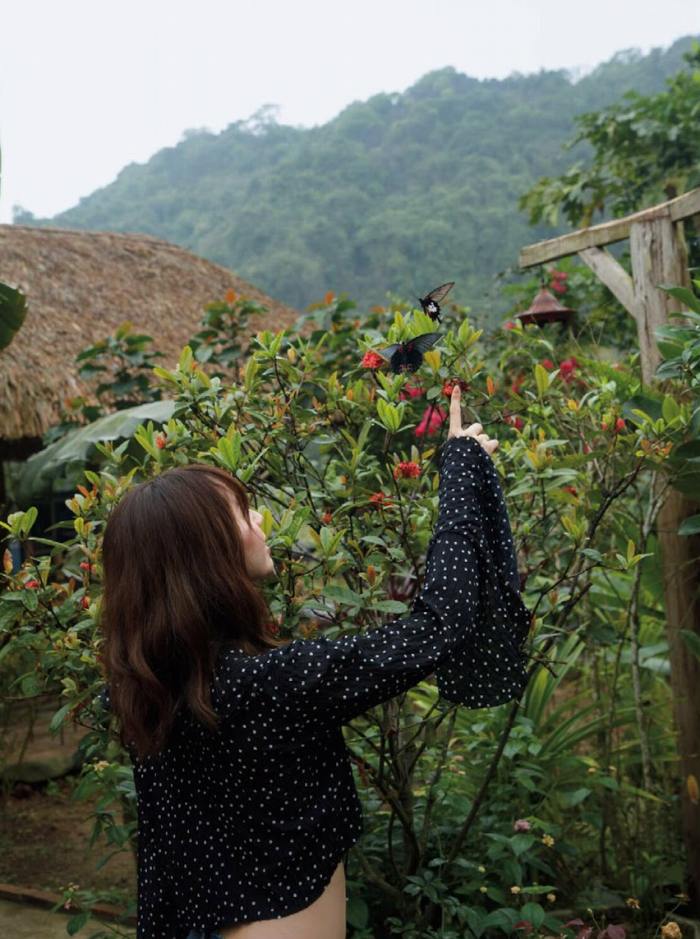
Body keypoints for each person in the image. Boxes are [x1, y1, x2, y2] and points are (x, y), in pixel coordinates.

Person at [97, 384, 531, 939]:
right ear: (207, 552)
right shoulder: (271, 684)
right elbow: (438, 626)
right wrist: (462, 473)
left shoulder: (144, 687)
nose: (260, 520)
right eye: (243, 511)